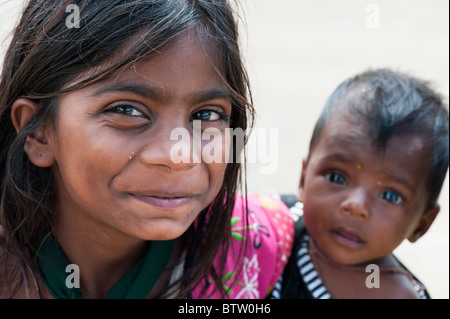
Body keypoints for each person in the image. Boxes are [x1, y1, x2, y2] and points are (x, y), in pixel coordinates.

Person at [0, 0, 294, 299]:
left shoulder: (255, 246)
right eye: (127, 110)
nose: (179, 156)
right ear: (38, 132)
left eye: (206, 115)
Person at [270, 68, 449, 299]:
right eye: (337, 177)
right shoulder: (266, 229)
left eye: (390, 196)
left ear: (421, 225)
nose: (355, 206)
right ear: (304, 178)